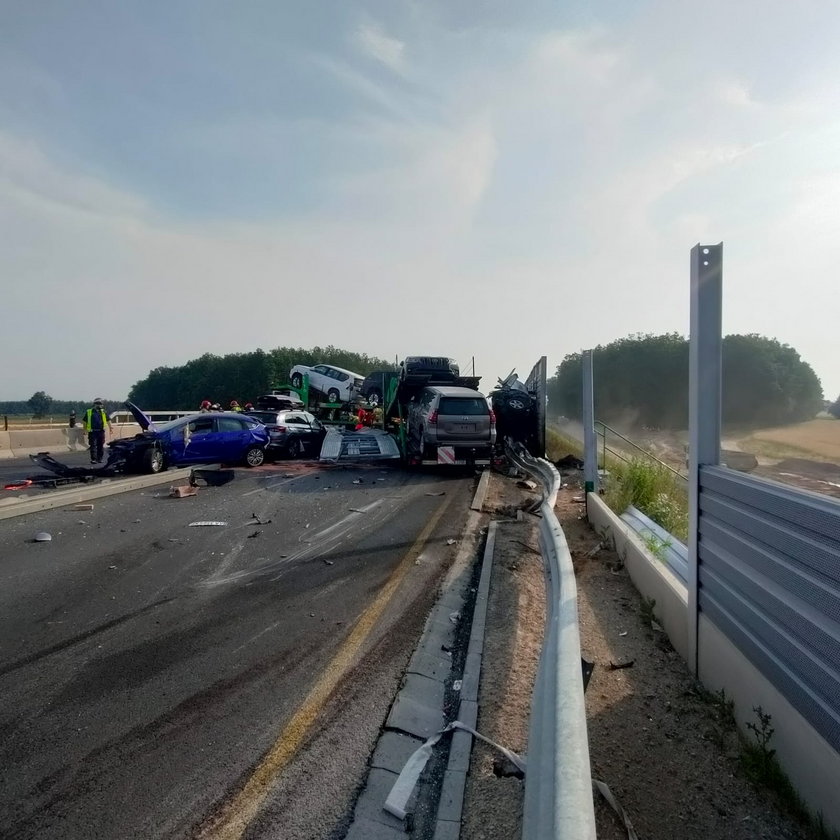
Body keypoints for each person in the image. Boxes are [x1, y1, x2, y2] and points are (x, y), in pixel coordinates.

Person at [83, 398, 112, 464]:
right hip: (92, 432)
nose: (99, 405)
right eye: (97, 404)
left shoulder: (104, 412)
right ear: (94, 404)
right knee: (93, 445)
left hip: (101, 431)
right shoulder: (89, 412)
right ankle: (94, 459)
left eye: (100, 404)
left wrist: (110, 427)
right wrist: (84, 430)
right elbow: (84, 421)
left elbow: (108, 420)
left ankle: (100, 458)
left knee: (100, 446)